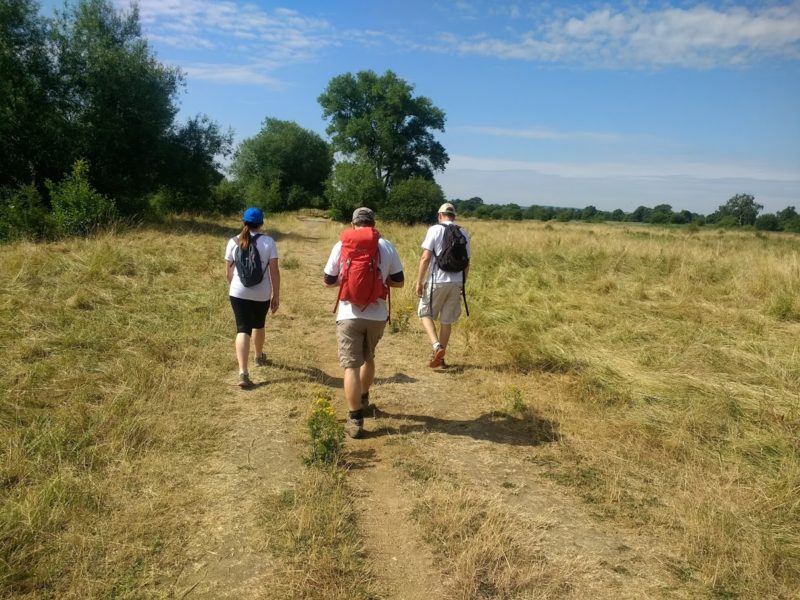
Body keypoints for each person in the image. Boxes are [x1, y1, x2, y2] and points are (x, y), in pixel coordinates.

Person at [324, 207, 404, 438]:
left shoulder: (342, 245)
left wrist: (347, 280)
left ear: (353, 224)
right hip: (376, 315)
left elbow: (328, 281)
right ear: (373, 224)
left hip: (349, 313)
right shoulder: (386, 246)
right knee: (368, 358)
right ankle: (365, 397)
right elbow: (399, 282)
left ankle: (355, 418)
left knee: (351, 366)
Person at [225, 207, 281, 388]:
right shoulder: (268, 242)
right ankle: (258, 356)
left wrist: (236, 289)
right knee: (259, 324)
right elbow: (274, 272)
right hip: (261, 293)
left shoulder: (233, 241)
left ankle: (243, 372)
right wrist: (276, 295)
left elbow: (228, 273)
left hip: (238, 292)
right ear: (261, 223)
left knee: (243, 329)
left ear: (244, 222)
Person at [414, 202, 471, 369]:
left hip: (437, 280)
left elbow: (425, 258)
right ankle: (441, 358)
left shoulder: (434, 230)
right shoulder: (463, 233)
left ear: (440, 216)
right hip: (456, 282)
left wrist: (419, 281)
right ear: (454, 216)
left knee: (424, 313)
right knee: (447, 320)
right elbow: (467, 262)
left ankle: (436, 346)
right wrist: (463, 284)